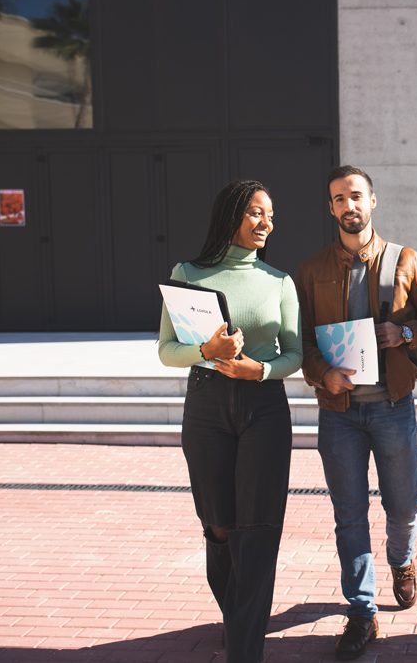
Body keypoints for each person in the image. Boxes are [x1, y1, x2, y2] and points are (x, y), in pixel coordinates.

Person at [294, 165, 417, 660]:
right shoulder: (311, 271)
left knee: (403, 506)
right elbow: (302, 341)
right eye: (339, 199)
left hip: (393, 408)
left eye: (356, 196)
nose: (348, 205)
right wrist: (321, 374)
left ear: (372, 201)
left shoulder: (406, 261)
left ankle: (401, 561)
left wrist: (407, 334)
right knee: (348, 514)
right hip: (339, 412)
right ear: (330, 208)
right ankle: (361, 611)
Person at [157, 180, 303, 663]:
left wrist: (257, 368)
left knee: (257, 529)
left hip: (264, 407)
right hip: (206, 406)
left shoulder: (279, 281)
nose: (267, 223)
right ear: (232, 214)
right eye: (257, 213)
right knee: (218, 526)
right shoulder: (187, 273)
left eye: (271, 215)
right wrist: (207, 351)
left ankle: (245, 647)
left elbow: (296, 354)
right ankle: (239, 616)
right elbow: (166, 350)